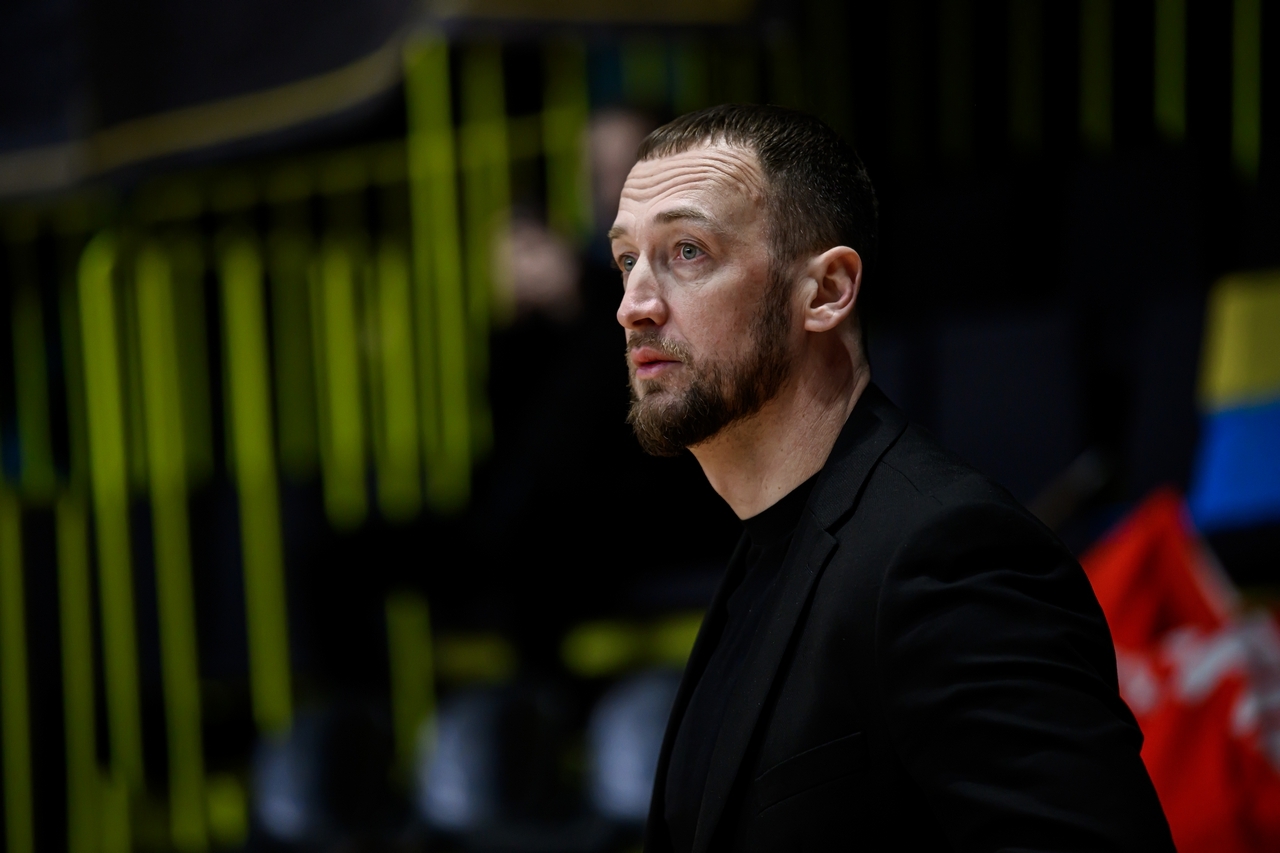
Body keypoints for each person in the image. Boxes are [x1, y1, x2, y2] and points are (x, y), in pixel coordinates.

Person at [607, 104, 1175, 852]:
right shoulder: (762, 553)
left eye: (687, 251)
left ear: (826, 291)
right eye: (627, 260)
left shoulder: (948, 555)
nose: (634, 306)